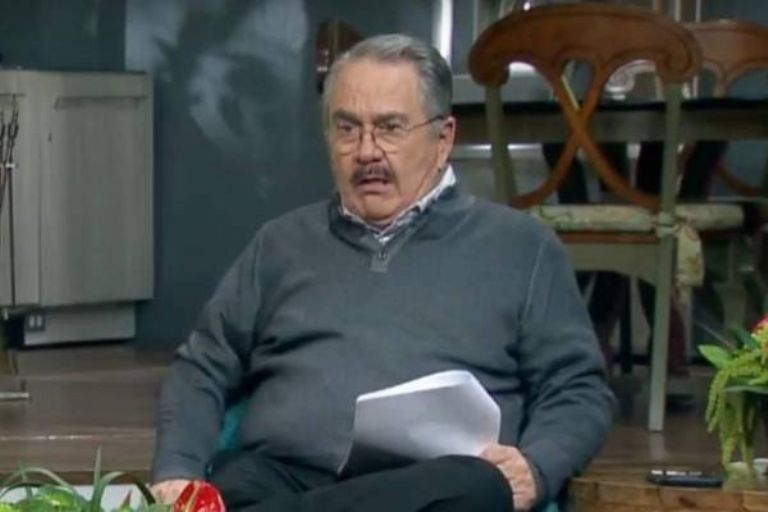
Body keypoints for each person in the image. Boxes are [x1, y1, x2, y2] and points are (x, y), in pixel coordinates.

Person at [151, 33, 614, 512]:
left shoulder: (521, 248)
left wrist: (537, 468)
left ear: (443, 139)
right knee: (236, 482)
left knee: (479, 486)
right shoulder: (280, 244)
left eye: (390, 128)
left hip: (423, 491)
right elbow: (202, 367)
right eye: (347, 129)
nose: (367, 151)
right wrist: (177, 471)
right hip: (283, 476)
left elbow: (578, 388)